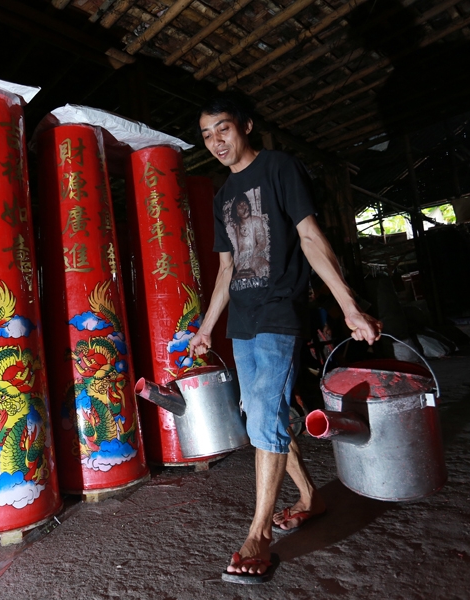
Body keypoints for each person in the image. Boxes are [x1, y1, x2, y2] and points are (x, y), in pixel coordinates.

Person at [188, 96, 382, 585]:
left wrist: (348, 306)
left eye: (223, 129)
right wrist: (206, 327)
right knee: (259, 413)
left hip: (279, 312)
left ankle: (258, 535)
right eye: (207, 135)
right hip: (242, 321)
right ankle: (311, 497)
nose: (216, 142)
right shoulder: (222, 196)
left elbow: (311, 237)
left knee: (265, 414)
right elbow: (227, 269)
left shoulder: (279, 168)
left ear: (246, 126)